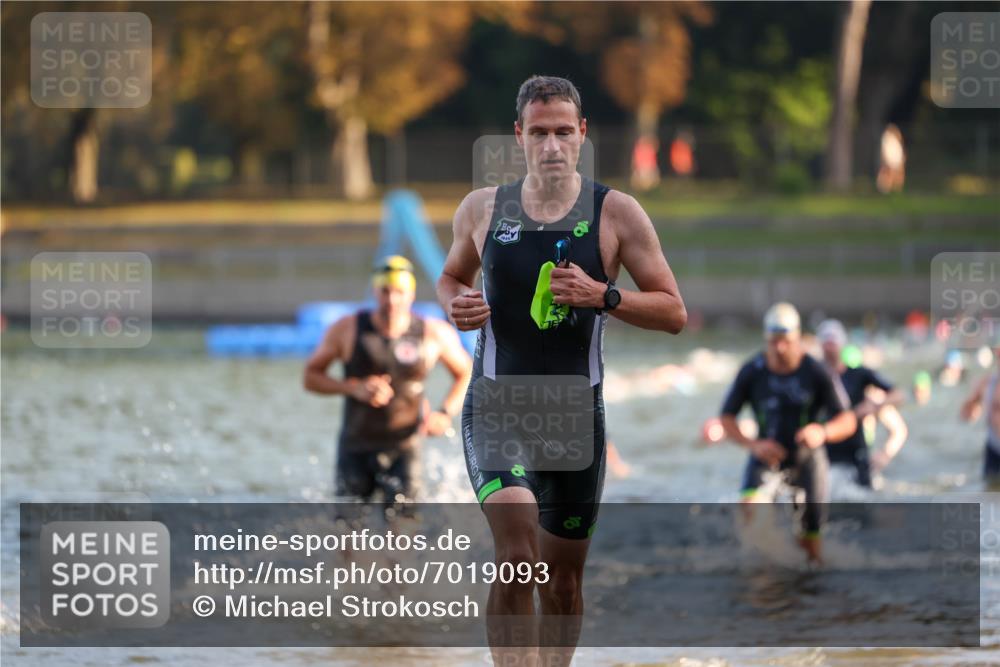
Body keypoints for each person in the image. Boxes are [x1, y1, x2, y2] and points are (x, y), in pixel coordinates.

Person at [437, 75, 686, 667]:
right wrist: (455, 303)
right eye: (539, 132)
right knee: (517, 548)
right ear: (519, 136)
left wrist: (605, 296)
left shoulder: (616, 213)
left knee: (563, 584)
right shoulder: (482, 208)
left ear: (582, 134)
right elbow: (451, 277)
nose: (551, 144)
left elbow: (674, 311)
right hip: (498, 406)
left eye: (563, 132)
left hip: (576, 419)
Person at [304, 255, 472, 504]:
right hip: (356, 447)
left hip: (405, 447)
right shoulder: (347, 329)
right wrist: (352, 387)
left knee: (403, 535)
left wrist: (445, 412)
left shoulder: (433, 332)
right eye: (385, 291)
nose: (392, 300)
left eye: (399, 292)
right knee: (347, 535)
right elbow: (310, 376)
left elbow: (466, 372)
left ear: (411, 294)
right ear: (375, 291)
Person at [719, 303, 856, 564]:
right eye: (773, 342)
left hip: (807, 460)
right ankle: (765, 577)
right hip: (765, 455)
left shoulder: (816, 371)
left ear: (797, 339)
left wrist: (823, 431)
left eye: (786, 341)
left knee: (810, 548)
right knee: (749, 511)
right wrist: (753, 445)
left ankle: (806, 593)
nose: (779, 348)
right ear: (766, 340)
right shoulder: (752, 371)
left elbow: (847, 420)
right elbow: (726, 418)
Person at [816, 320, 906, 487]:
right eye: (826, 343)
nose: (829, 348)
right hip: (825, 453)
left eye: (833, 342)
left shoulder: (861, 377)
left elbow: (898, 404)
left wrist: (885, 454)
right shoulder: (815, 376)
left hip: (856, 453)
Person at [959, 343, 1000, 487]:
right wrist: (970, 406)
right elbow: (968, 415)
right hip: (994, 448)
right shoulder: (986, 383)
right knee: (990, 490)